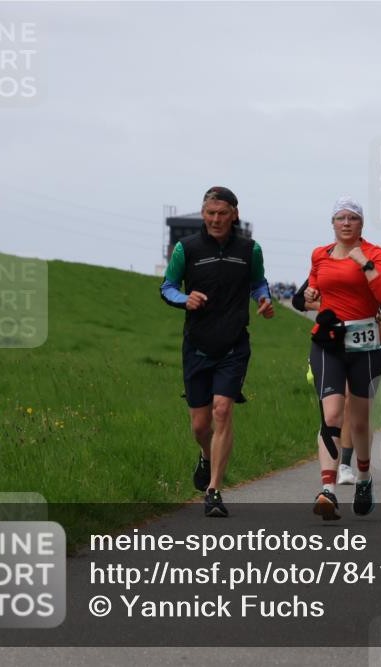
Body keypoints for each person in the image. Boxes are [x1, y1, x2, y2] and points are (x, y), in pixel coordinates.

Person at [160, 186, 274, 517]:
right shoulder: (186, 248)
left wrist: (263, 299)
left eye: (222, 213)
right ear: (203, 213)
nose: (216, 219)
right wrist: (185, 299)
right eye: (210, 213)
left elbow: (258, 282)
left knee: (222, 411)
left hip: (234, 343)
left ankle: (213, 491)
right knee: (200, 426)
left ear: (234, 214)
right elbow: (167, 287)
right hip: (197, 344)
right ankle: (206, 455)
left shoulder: (250, 249)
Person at [305, 197, 381, 520]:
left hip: (366, 346)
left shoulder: (374, 253)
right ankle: (327, 489)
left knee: (358, 421)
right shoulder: (320, 254)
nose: (346, 223)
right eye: (340, 218)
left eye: (352, 218)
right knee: (331, 414)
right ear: (332, 223)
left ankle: (364, 477)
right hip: (328, 342)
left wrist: (365, 265)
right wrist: (311, 294)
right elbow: (314, 287)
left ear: (361, 223)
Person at [294, 278, 356, 485]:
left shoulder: (363, 268)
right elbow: (297, 301)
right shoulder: (324, 268)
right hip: (327, 344)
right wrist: (327, 305)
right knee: (335, 409)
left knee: (349, 402)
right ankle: (329, 432)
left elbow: (379, 303)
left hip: (357, 345)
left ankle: (345, 465)